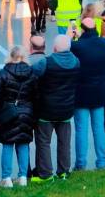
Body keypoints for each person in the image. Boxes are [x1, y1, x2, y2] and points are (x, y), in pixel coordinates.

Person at [31, 35, 80, 182]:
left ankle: (45, 174)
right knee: (64, 142)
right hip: (66, 109)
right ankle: (63, 171)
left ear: (54, 48)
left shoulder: (46, 62)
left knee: (43, 142)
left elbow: (31, 74)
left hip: (46, 110)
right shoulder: (76, 62)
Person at [0, 45, 37, 188]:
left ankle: (6, 178)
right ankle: (22, 176)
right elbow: (36, 96)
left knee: (7, 144)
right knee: (23, 144)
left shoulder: (3, 73)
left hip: (8, 113)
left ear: (11, 56)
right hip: (26, 112)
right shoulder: (32, 73)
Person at [70, 18, 105, 170]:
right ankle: (102, 162)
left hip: (81, 94)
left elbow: (68, 56)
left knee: (81, 130)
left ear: (81, 29)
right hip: (100, 92)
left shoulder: (76, 46)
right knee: (99, 128)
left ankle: (81, 164)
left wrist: (71, 37)